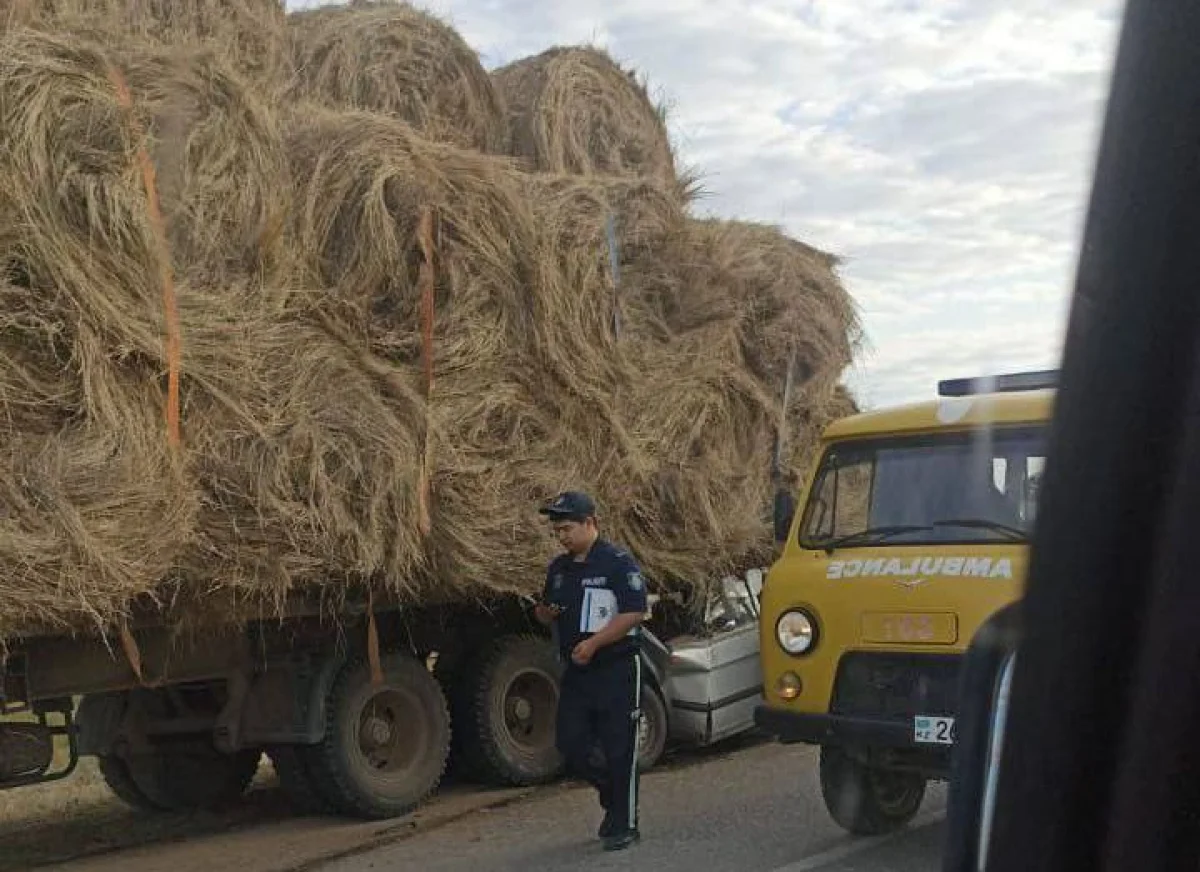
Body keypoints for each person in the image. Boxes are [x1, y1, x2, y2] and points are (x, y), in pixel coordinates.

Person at [534, 491, 648, 852]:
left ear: (590, 523)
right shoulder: (559, 569)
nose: (562, 537)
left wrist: (595, 643)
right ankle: (612, 796)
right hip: (579, 672)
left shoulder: (617, 564)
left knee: (620, 748)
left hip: (615, 667)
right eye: (558, 531)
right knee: (571, 743)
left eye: (567, 528)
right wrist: (545, 613)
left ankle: (625, 823)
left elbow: (634, 612)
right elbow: (543, 610)